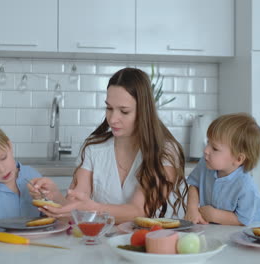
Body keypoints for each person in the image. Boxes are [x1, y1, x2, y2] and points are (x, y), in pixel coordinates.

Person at [28, 67, 187, 223]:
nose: (112, 119)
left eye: (124, 111)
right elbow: (76, 206)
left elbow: (140, 210)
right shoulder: (93, 149)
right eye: (109, 108)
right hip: (101, 242)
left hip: (151, 244)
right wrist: (54, 196)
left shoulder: (164, 152)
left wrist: (94, 208)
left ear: (143, 112)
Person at [184, 113, 260, 226]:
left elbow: (243, 220)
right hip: (219, 230)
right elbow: (194, 185)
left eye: (214, 148)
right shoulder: (205, 163)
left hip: (251, 232)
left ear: (238, 159)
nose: (206, 150)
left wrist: (214, 215)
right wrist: (192, 209)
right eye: (208, 142)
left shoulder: (246, 186)